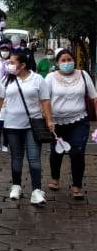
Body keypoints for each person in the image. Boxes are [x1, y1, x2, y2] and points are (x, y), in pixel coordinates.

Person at [0, 50, 54, 205]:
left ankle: (36, 191)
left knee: (34, 158)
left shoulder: (38, 79)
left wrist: (49, 120)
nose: (9, 65)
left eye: (12, 62)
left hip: (33, 125)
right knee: (16, 157)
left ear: (23, 64)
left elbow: (45, 101)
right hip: (12, 125)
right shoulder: (7, 80)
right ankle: (16, 186)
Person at [46, 50, 96, 199]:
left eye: (69, 59)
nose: (67, 63)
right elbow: (44, 100)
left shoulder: (83, 75)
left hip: (79, 121)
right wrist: (48, 119)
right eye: (63, 60)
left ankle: (77, 185)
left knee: (77, 152)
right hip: (56, 123)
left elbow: (94, 98)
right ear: (57, 63)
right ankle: (55, 178)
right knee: (56, 152)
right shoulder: (50, 78)